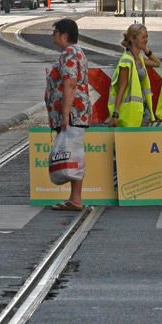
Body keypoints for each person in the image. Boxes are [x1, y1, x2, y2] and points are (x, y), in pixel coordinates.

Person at [44, 18, 91, 211]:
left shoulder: (70, 53)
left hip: (73, 113)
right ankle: (74, 198)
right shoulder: (74, 53)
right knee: (73, 153)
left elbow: (70, 84)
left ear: (64, 35)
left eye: (54, 32)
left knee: (74, 154)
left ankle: (76, 199)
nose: (52, 36)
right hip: (75, 112)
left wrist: (64, 115)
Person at [108, 23, 160, 128]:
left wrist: (146, 50)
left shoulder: (139, 58)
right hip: (130, 112)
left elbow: (157, 63)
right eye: (143, 37)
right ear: (132, 39)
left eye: (147, 37)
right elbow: (122, 88)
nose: (146, 40)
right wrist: (115, 114)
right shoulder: (127, 59)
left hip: (142, 110)